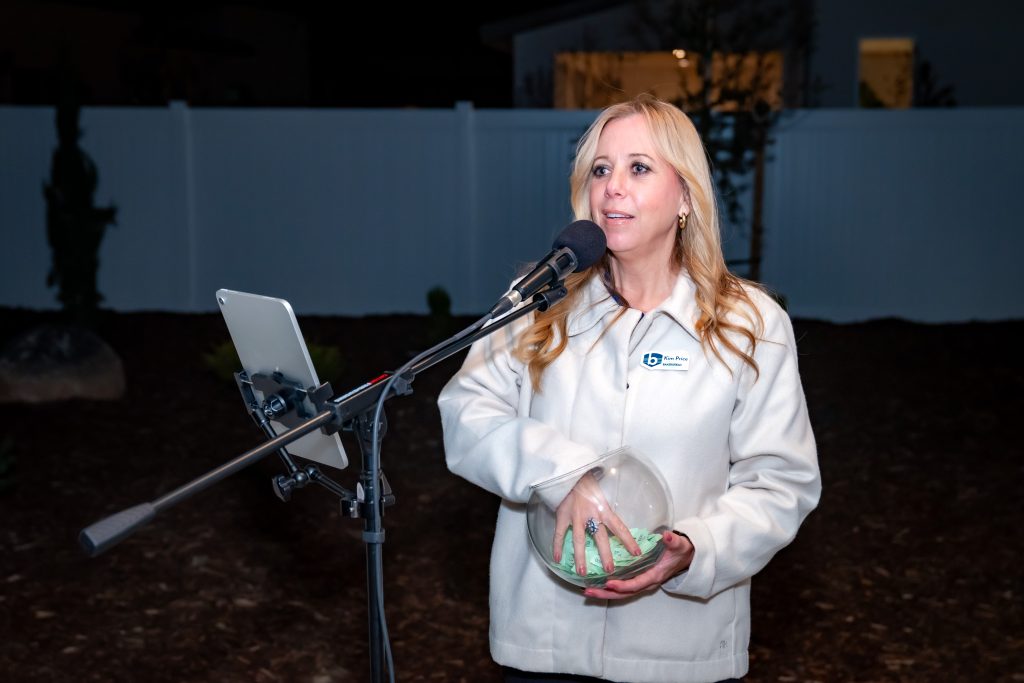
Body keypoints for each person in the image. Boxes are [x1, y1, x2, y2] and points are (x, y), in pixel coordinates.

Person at [437, 94, 820, 683]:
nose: (613, 186)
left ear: (686, 196)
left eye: (639, 167)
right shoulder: (538, 303)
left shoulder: (750, 324)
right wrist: (564, 474)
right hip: (544, 644)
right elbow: (467, 412)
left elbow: (781, 481)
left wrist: (696, 548)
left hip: (679, 650)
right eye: (600, 169)